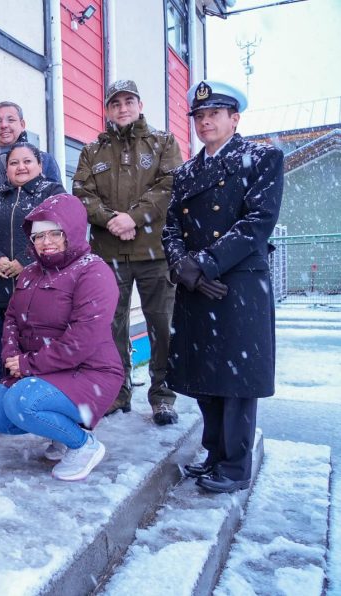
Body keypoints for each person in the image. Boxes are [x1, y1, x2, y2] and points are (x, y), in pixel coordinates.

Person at [163, 80, 284, 494]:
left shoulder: (262, 158)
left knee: (236, 379)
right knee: (204, 373)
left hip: (237, 284)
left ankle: (234, 466)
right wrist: (182, 267)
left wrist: (205, 264)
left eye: (214, 113)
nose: (205, 121)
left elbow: (256, 223)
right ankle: (214, 454)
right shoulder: (185, 172)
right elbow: (170, 228)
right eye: (199, 115)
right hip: (195, 285)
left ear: (235, 118)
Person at [0, 194, 122, 481]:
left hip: (90, 371)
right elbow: (11, 319)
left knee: (23, 402)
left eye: (54, 233)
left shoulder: (93, 271)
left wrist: (29, 364)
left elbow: (81, 340)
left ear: (71, 230)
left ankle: (84, 446)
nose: (45, 242)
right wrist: (10, 355)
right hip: (46, 369)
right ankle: (62, 432)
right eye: (38, 236)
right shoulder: (30, 273)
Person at [73, 80, 184, 425]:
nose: (122, 108)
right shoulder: (93, 150)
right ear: (107, 109)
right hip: (108, 255)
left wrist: (134, 218)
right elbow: (82, 194)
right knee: (109, 327)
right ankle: (116, 391)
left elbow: (168, 186)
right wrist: (111, 220)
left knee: (162, 327)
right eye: (115, 103)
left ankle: (163, 396)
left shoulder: (164, 142)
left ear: (139, 104)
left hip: (154, 253)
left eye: (128, 101)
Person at [0, 143, 66, 384]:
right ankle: (3, 386)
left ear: (40, 166)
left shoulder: (52, 192)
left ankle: (40, 388)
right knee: (2, 335)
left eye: (27, 161)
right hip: (0, 282)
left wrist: (26, 261)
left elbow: (62, 230)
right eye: (14, 163)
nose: (21, 167)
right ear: (6, 169)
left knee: (40, 336)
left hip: (41, 283)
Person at [0, 101, 62, 218]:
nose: (4, 125)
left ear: (22, 124)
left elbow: (59, 206)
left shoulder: (45, 161)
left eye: (10, 120)